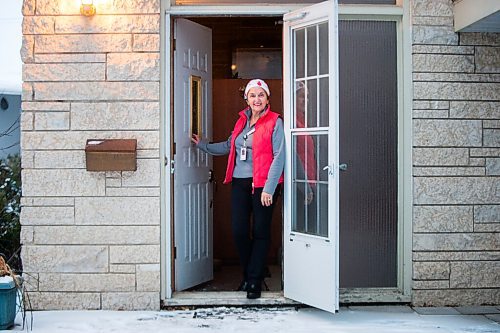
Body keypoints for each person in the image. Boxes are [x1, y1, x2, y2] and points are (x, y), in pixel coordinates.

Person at [191, 79, 284, 299]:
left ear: (267, 98)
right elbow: (228, 145)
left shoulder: (275, 121)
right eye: (253, 95)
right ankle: (254, 271)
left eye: (261, 95)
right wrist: (201, 145)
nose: (257, 99)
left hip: (264, 185)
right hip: (240, 182)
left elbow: (280, 156)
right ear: (247, 99)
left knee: (261, 232)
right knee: (239, 231)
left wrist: (269, 189)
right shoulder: (241, 121)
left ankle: (253, 281)